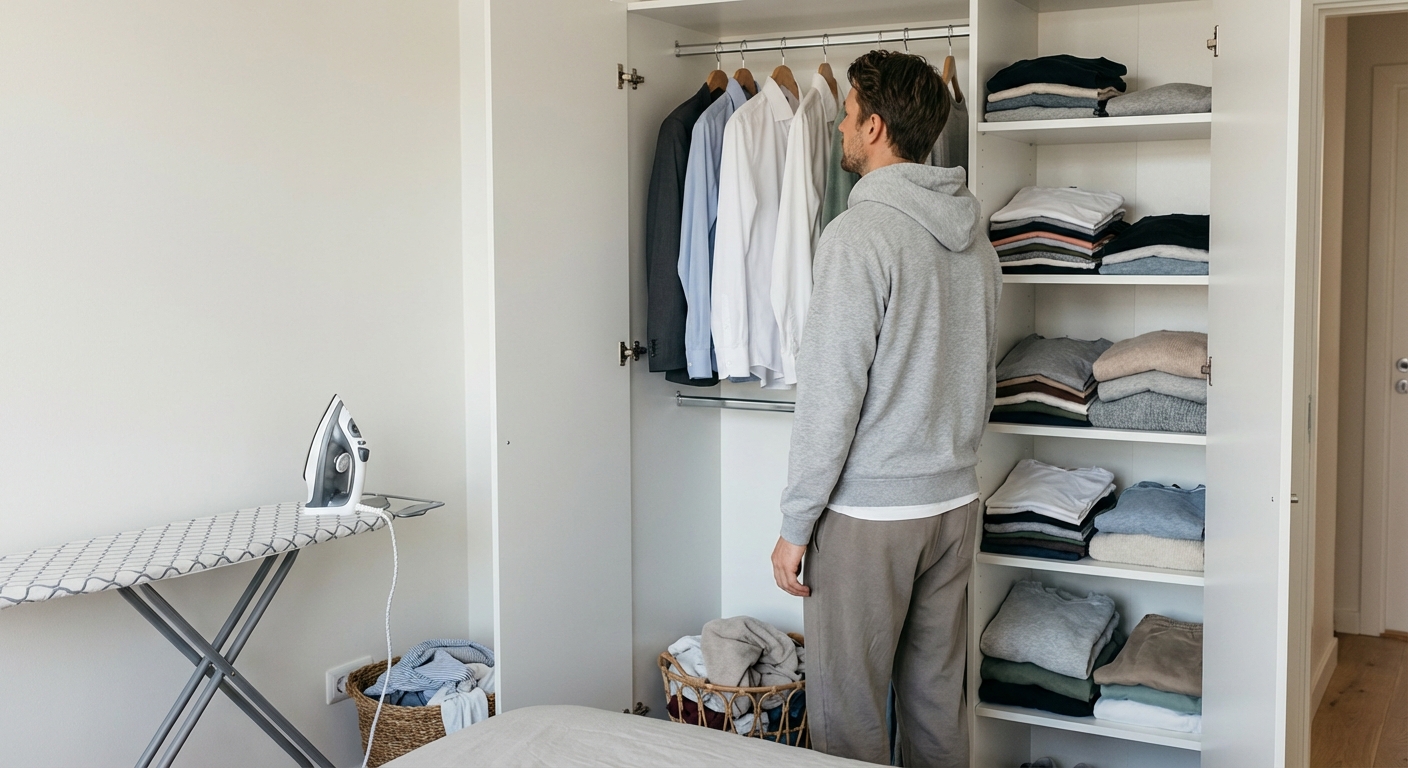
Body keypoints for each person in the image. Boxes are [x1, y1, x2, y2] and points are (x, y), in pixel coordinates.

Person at [769, 50, 1001, 767]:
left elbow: (830, 397)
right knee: (935, 705)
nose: (838, 125)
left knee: (851, 716)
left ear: (873, 126)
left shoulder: (857, 236)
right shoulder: (976, 241)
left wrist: (795, 521)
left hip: (872, 518)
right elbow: (982, 378)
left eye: (844, 114)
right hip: (955, 503)